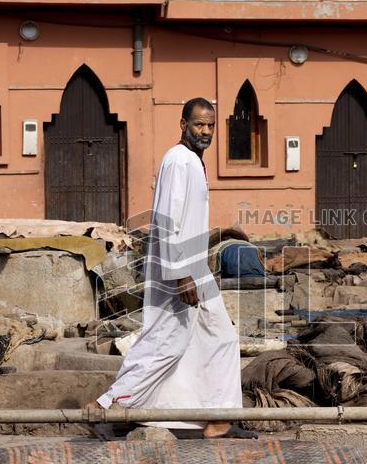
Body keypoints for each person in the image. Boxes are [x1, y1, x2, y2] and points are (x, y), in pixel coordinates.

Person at [90, 98, 256, 439]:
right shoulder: (179, 161)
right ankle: (107, 407)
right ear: (183, 125)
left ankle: (219, 419)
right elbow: (167, 222)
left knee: (221, 337)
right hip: (178, 271)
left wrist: (218, 234)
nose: (206, 131)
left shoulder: (192, 162)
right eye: (199, 125)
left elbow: (187, 223)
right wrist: (181, 275)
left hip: (193, 266)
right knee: (165, 343)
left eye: (210, 126)